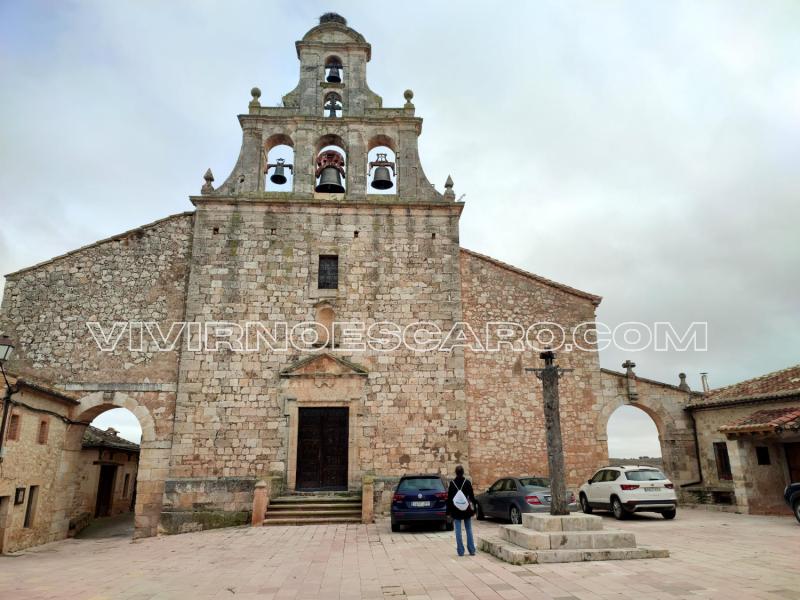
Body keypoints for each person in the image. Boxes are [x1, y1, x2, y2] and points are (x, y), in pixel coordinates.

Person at [446, 465, 477, 556]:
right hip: (466, 509)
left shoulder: (452, 483)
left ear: (456, 472)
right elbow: (471, 497)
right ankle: (471, 550)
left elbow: (449, 499)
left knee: (458, 531)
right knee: (469, 529)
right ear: (463, 472)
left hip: (456, 510)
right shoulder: (467, 482)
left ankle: (460, 551)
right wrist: (474, 509)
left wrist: (448, 512)